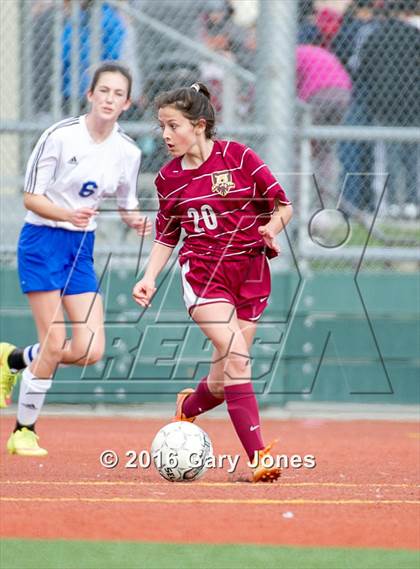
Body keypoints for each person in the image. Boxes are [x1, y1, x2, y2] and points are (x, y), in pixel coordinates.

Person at [132, 83, 293, 483]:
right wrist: (149, 277)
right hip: (205, 276)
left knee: (223, 382)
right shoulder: (169, 178)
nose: (166, 136)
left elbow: (283, 206)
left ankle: (189, 406)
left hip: (251, 274)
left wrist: (270, 229)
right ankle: (259, 459)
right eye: (162, 127)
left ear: (200, 125)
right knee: (238, 357)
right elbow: (167, 234)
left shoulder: (239, 157)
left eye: (173, 126)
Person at [0, 62, 151, 456]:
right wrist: (66, 213)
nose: (109, 99)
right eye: (103, 91)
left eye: (118, 94)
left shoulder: (127, 151)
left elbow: (126, 203)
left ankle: (14, 358)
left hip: (81, 248)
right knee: (55, 342)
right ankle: (23, 431)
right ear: (90, 94)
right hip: (43, 241)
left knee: (89, 350)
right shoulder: (60, 137)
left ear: (127, 103)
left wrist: (136, 221)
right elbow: (31, 197)